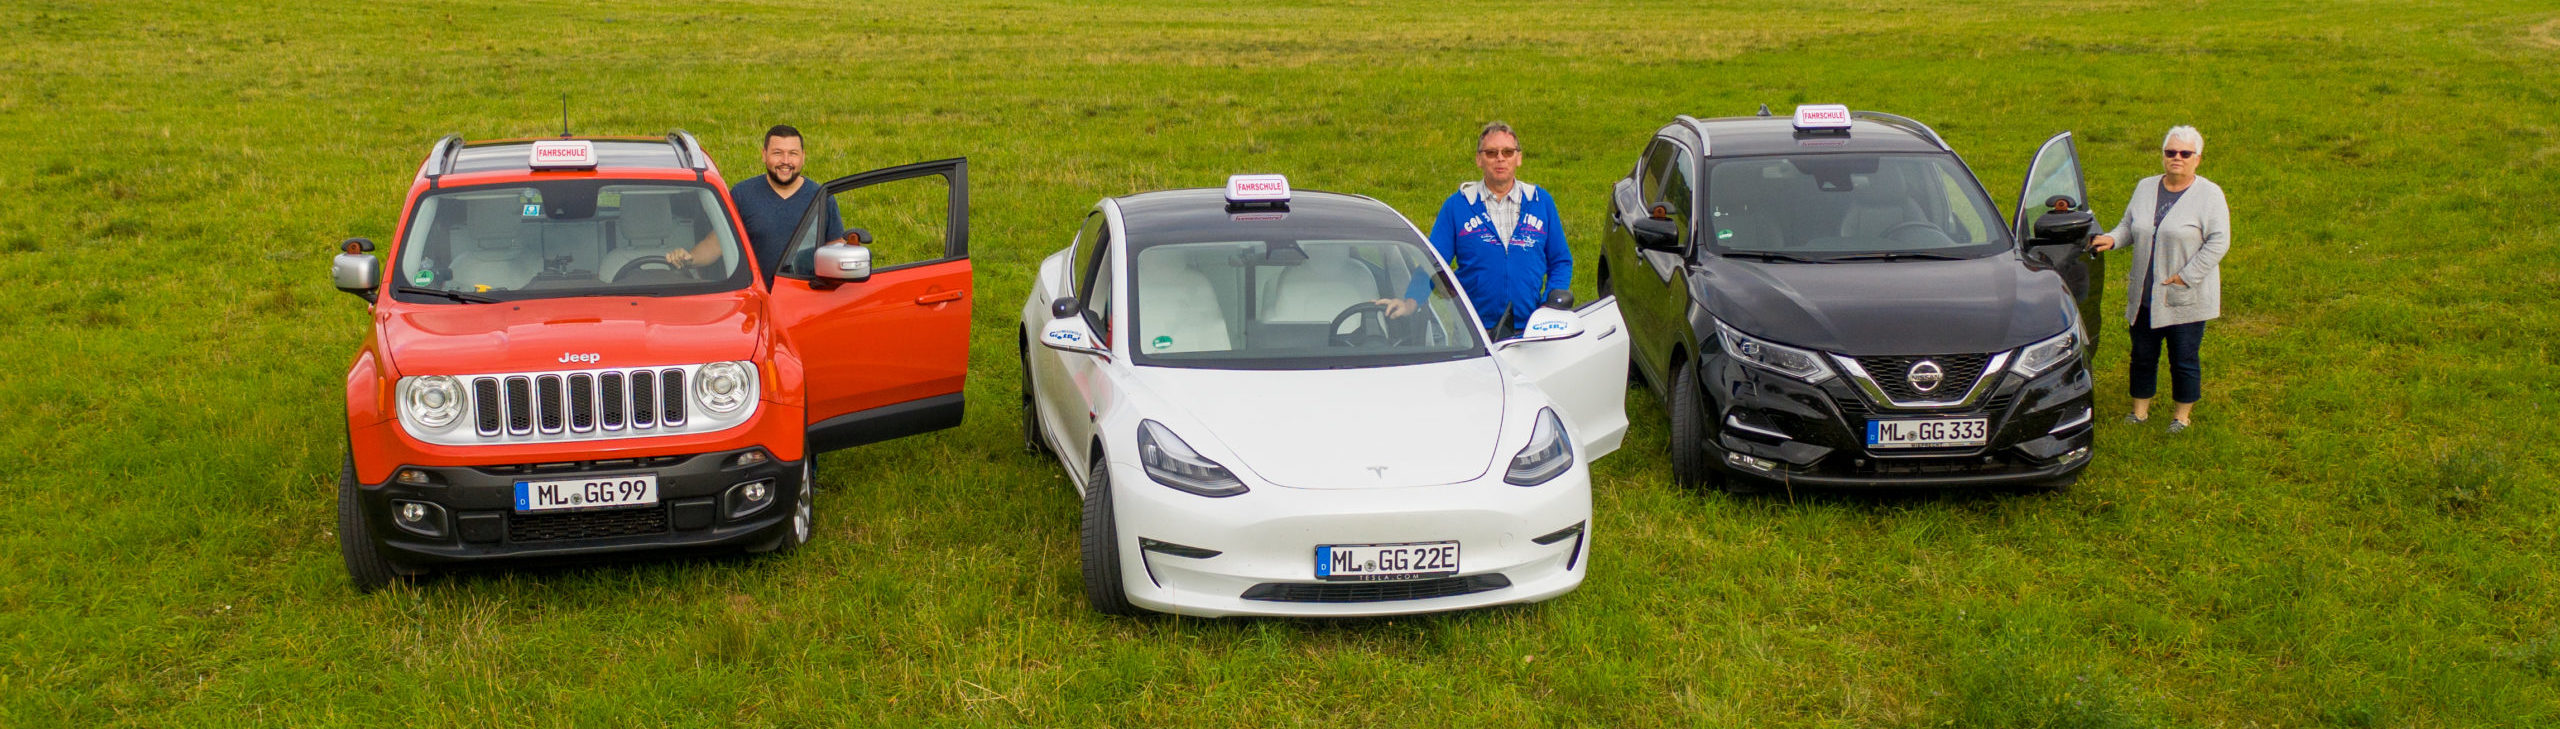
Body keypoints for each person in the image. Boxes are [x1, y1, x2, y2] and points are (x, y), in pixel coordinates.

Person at [1376, 121, 1572, 340]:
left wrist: (1549, 307)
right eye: (1491, 153)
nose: (1500, 158)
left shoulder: (1540, 202)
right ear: (1479, 159)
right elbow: (1432, 263)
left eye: (1508, 152)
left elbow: (1561, 261)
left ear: (1519, 158)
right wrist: (1411, 302)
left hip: (1531, 333)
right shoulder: (1457, 206)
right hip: (1475, 334)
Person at [2090, 125, 2230, 433]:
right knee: (2142, 356)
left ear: (2197, 159)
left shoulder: (2210, 195)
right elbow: (2128, 225)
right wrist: (2112, 239)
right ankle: (2139, 412)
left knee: (2184, 358)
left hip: (2185, 296)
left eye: (2185, 153)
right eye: (2171, 152)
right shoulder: (2145, 187)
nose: (2177, 158)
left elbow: (2219, 242)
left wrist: (2185, 277)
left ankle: (2181, 417)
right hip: (2145, 295)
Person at [667, 125, 847, 276]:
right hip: (757, 298)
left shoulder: (822, 198)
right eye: (777, 153)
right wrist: (689, 258)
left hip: (805, 296)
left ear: (803, 157)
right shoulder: (742, 194)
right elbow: (718, 243)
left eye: (793, 153)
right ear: (764, 154)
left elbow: (835, 249)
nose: (785, 161)